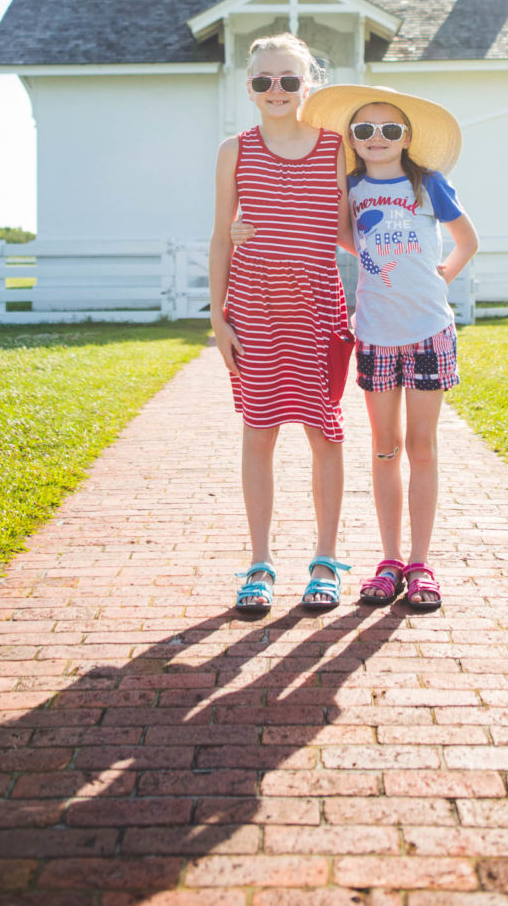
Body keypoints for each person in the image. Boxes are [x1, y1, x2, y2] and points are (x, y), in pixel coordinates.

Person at [297, 84, 478, 611]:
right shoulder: (349, 187)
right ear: (352, 139)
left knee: (421, 448)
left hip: (428, 331)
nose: (377, 138)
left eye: (390, 130)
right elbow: (342, 236)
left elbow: (467, 239)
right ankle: (390, 560)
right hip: (375, 333)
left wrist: (442, 273)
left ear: (406, 138)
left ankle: (421, 564)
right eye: (364, 130)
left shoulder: (429, 184)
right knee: (385, 448)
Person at [209, 33, 354, 615]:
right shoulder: (234, 151)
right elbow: (221, 237)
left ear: (307, 85)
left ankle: (325, 560)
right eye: (264, 80)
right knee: (259, 431)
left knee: (324, 432)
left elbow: (350, 229)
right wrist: (218, 317)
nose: (277, 90)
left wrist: (406, 246)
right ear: (249, 87)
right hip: (254, 306)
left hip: (319, 305)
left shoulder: (336, 148)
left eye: (289, 80)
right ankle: (260, 562)